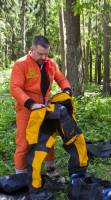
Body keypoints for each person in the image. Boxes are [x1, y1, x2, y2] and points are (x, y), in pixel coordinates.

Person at [10, 35, 72, 176]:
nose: (44, 57)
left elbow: (61, 79)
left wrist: (67, 89)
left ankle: (50, 169)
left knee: (48, 138)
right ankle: (21, 176)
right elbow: (15, 88)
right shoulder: (21, 64)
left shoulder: (51, 64)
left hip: (45, 108)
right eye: (40, 54)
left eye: (46, 54)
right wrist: (31, 104)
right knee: (24, 143)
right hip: (27, 109)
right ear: (31, 49)